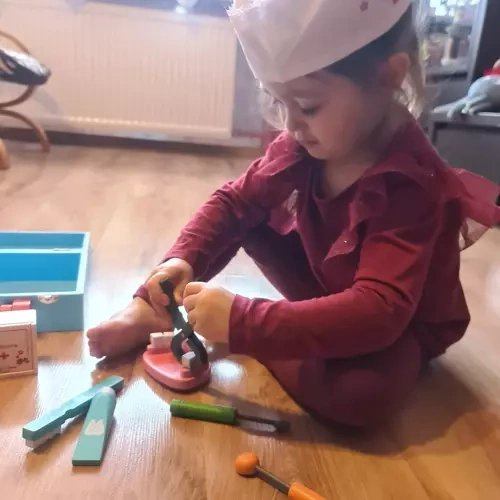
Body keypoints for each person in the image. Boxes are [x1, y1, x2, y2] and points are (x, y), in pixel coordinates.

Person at [87, 0, 499, 427]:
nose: (291, 125)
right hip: (332, 284)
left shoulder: (409, 181)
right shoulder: (308, 139)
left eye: (307, 105)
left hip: (400, 327)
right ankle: (157, 309)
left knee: (361, 394)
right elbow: (233, 202)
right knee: (247, 212)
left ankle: (275, 338)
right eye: (279, 101)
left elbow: (381, 311)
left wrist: (244, 325)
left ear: (388, 77)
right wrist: (181, 262)